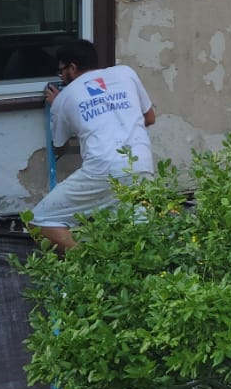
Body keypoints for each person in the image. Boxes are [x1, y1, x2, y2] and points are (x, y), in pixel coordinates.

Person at [32, 39, 157, 251]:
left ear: (72, 68)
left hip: (102, 168)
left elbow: (59, 146)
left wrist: (59, 106)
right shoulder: (125, 73)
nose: (61, 76)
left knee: (39, 220)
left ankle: (90, 261)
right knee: (138, 237)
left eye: (61, 71)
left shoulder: (64, 98)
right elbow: (150, 117)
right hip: (140, 163)